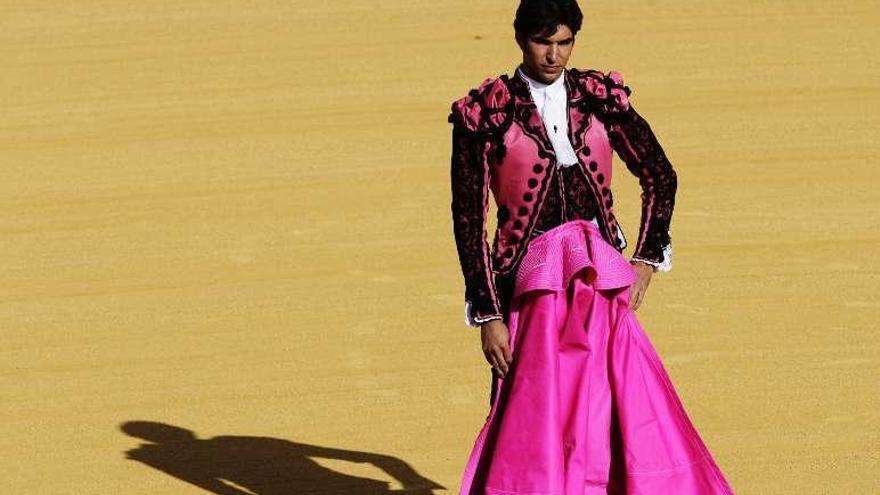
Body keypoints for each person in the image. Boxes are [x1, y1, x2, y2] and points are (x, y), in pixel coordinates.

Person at [447, 1, 736, 493]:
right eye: (544, 42)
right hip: (527, 289)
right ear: (520, 38)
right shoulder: (489, 112)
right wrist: (488, 315)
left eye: (564, 43)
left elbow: (660, 176)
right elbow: (469, 220)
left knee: (610, 404)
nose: (553, 55)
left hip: (598, 282)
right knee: (530, 414)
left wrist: (645, 259)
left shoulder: (598, 99)